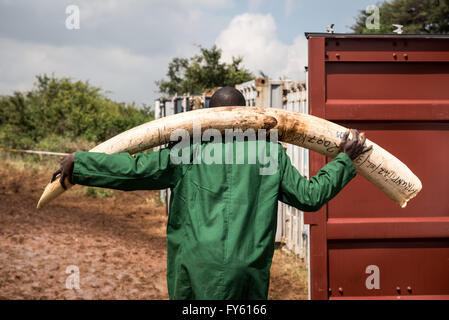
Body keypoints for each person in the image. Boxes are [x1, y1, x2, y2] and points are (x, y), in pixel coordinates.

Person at [51, 86, 371, 300]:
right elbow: (310, 196)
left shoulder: (187, 152)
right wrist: (346, 160)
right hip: (246, 276)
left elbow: (134, 170)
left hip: (194, 271)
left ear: (205, 115)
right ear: (248, 115)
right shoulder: (269, 155)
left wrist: (80, 163)